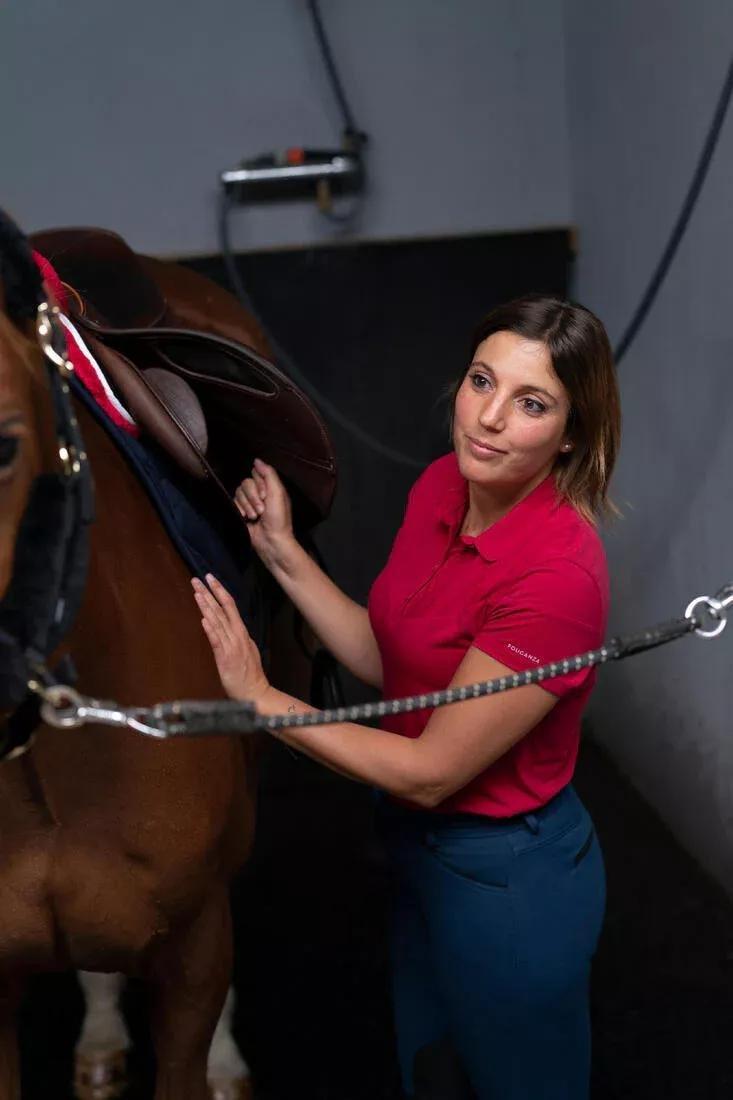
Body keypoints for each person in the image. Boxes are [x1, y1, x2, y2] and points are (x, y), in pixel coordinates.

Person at [191, 294, 621, 1100]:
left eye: (529, 404)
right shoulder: (440, 487)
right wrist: (283, 556)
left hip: (508, 879)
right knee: (432, 1078)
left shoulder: (556, 576)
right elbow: (396, 671)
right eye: (480, 382)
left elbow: (430, 768)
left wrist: (259, 699)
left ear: (569, 435)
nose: (488, 419)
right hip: (416, 854)